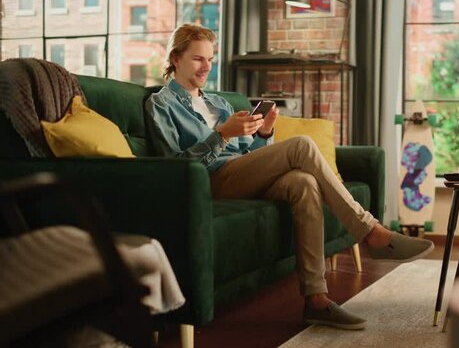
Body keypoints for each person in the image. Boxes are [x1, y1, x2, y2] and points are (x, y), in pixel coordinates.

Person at [145, 24, 435, 330]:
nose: (206, 66)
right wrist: (220, 135)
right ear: (176, 58)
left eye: (210, 59)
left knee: (304, 183)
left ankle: (317, 300)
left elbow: (249, 153)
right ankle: (370, 231)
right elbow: (173, 166)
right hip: (209, 181)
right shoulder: (161, 104)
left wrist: (265, 133)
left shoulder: (219, 103)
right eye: (198, 59)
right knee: (301, 145)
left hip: (241, 174)